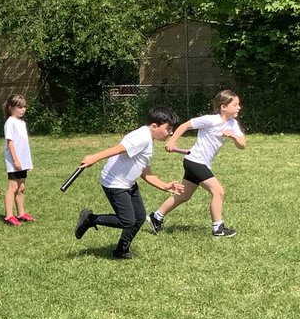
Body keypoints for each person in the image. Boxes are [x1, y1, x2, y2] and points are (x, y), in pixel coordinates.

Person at [74, 107, 183, 259]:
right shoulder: (142, 137)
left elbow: (146, 173)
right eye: (168, 128)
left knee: (138, 218)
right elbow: (119, 149)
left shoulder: (149, 140)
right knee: (127, 221)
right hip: (115, 184)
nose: (170, 133)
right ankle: (90, 219)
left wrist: (165, 186)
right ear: (154, 126)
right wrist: (94, 157)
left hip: (128, 183)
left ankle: (121, 251)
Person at [147, 89, 247, 238]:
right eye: (236, 104)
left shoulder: (233, 124)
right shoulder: (210, 120)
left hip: (200, 163)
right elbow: (185, 125)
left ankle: (156, 217)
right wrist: (172, 141)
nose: (239, 107)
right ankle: (218, 228)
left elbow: (242, 144)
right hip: (195, 161)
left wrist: (232, 136)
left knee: (184, 195)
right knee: (218, 191)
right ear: (223, 107)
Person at [3, 94, 35, 225]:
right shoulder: (10, 122)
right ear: (11, 108)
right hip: (14, 161)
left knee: (21, 187)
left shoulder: (21, 122)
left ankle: (21, 213)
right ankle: (9, 215)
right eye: (19, 107)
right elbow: (10, 143)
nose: (23, 110)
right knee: (13, 187)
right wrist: (15, 160)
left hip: (23, 160)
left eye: (24, 107)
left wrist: (24, 160)